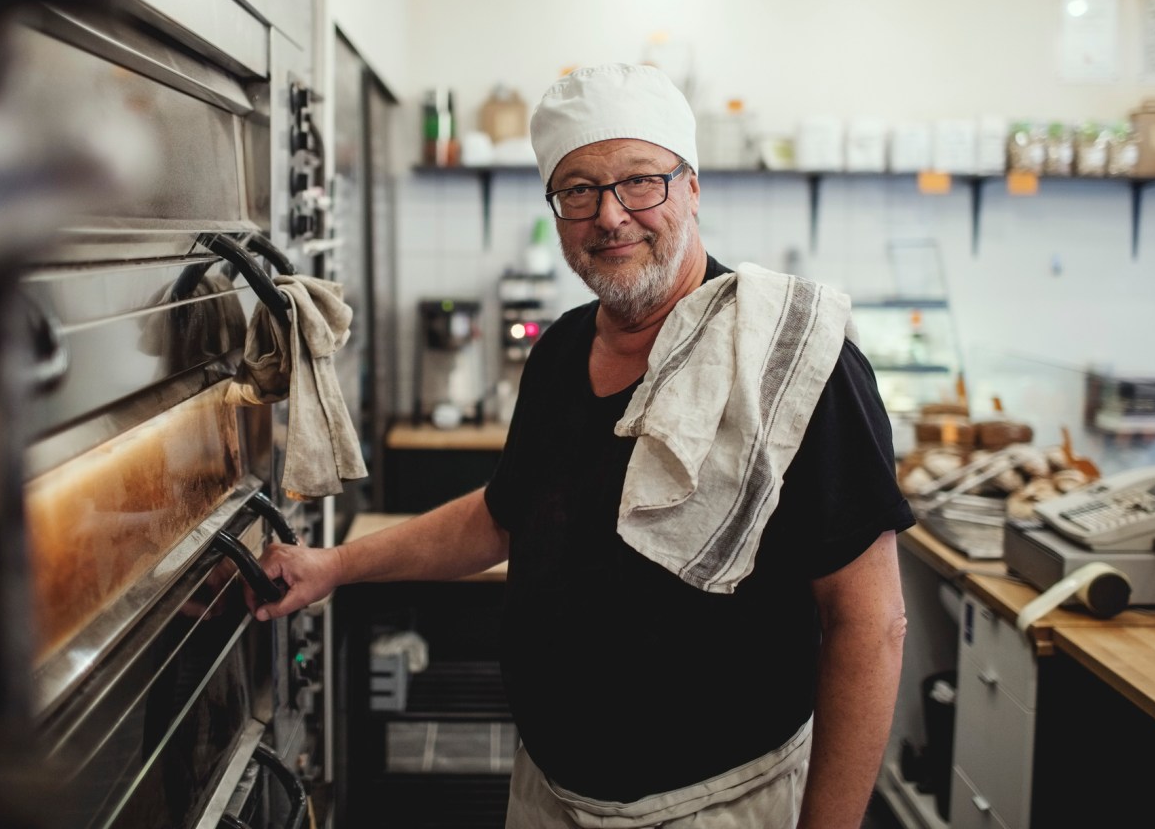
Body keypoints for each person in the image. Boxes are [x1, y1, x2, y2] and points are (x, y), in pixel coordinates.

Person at [249, 63, 913, 829]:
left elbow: (871, 624)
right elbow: (503, 517)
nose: (611, 216)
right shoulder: (562, 350)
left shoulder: (787, 362)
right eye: (578, 190)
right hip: (546, 792)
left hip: (717, 804)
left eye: (641, 181)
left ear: (692, 189)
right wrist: (332, 567)